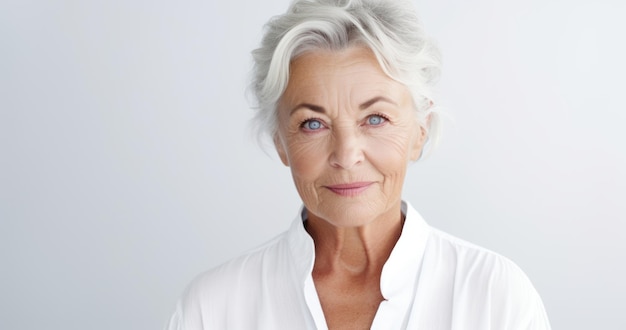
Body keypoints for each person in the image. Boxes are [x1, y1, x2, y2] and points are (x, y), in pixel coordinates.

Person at [166, 0, 551, 329]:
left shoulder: (495, 298)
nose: (347, 154)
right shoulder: (213, 309)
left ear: (420, 130)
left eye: (376, 118)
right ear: (280, 142)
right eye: (313, 123)